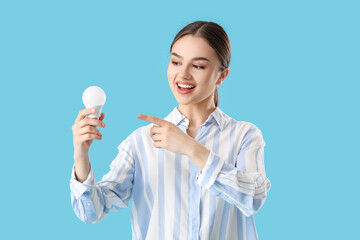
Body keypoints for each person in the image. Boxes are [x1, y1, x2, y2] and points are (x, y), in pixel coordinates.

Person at [70, 20, 271, 240]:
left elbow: (254, 197)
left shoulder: (245, 136)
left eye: (198, 66)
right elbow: (92, 212)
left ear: (222, 75)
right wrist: (81, 155)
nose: (183, 75)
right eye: (176, 62)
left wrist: (190, 148)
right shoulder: (141, 142)